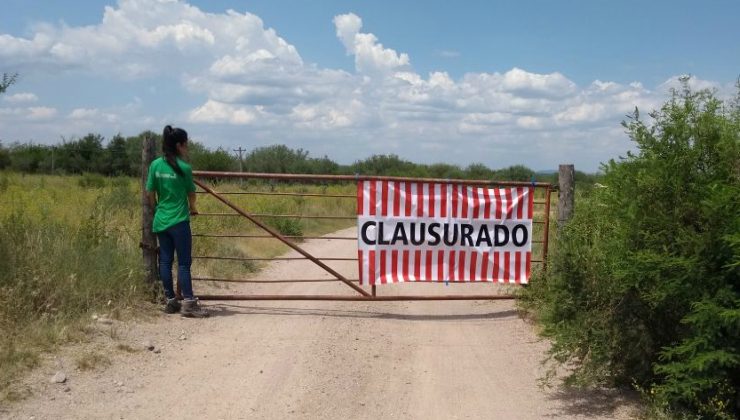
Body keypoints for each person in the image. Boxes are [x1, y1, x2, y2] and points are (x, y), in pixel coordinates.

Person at [146, 125, 208, 318]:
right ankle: (189, 303)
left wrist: (156, 208)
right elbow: (191, 194)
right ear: (179, 145)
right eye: (186, 143)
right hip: (179, 221)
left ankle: (170, 301)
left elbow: (149, 192)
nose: (187, 146)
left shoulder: (155, 165)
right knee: (183, 263)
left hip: (161, 219)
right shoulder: (184, 168)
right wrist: (193, 208)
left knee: (164, 261)